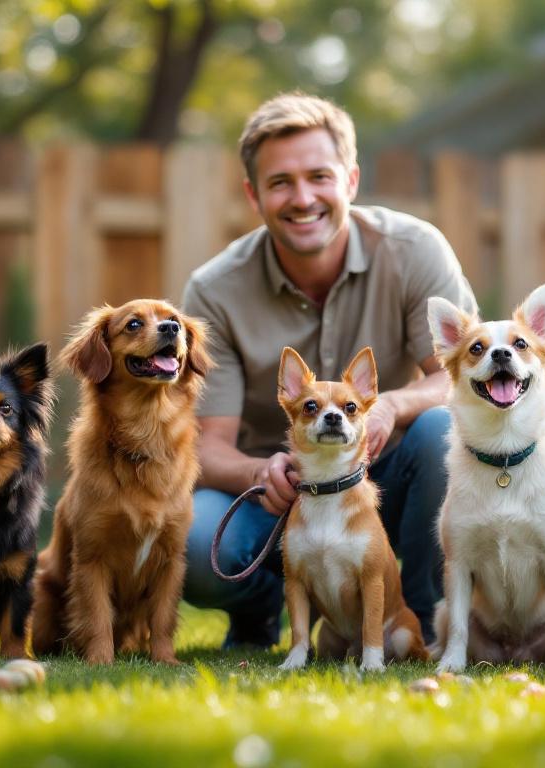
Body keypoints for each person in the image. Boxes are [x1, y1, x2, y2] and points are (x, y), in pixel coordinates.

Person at [180, 92, 478, 648]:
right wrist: (256, 474)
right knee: (197, 542)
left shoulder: (414, 250)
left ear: (351, 180)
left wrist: (393, 403)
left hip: (383, 480)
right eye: (280, 182)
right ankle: (263, 607)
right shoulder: (214, 289)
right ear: (253, 195)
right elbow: (205, 444)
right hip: (278, 496)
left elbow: (462, 380)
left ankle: (412, 617)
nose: (303, 198)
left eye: (319, 176)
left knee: (444, 429)